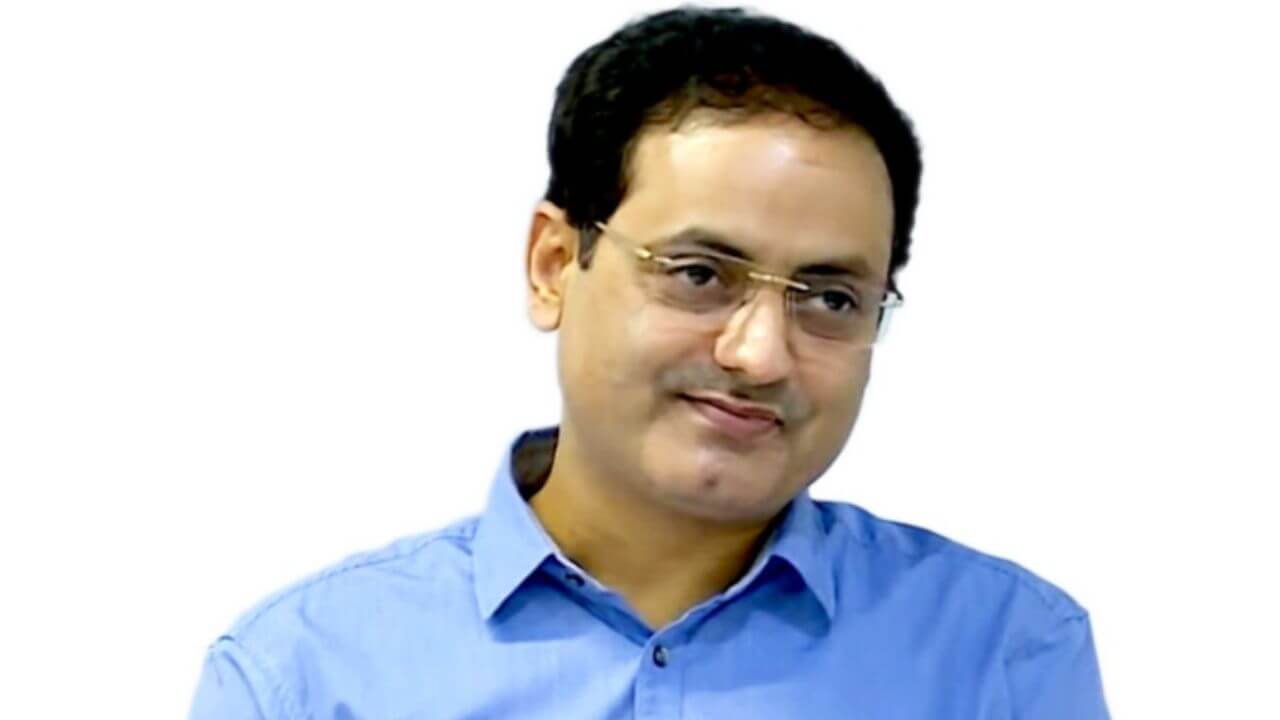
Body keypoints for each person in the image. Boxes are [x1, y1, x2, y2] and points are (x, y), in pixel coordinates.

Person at [188, 6, 1110, 718]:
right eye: (699, 274)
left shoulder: (1003, 656)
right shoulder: (307, 675)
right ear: (555, 265)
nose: (759, 353)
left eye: (830, 298)